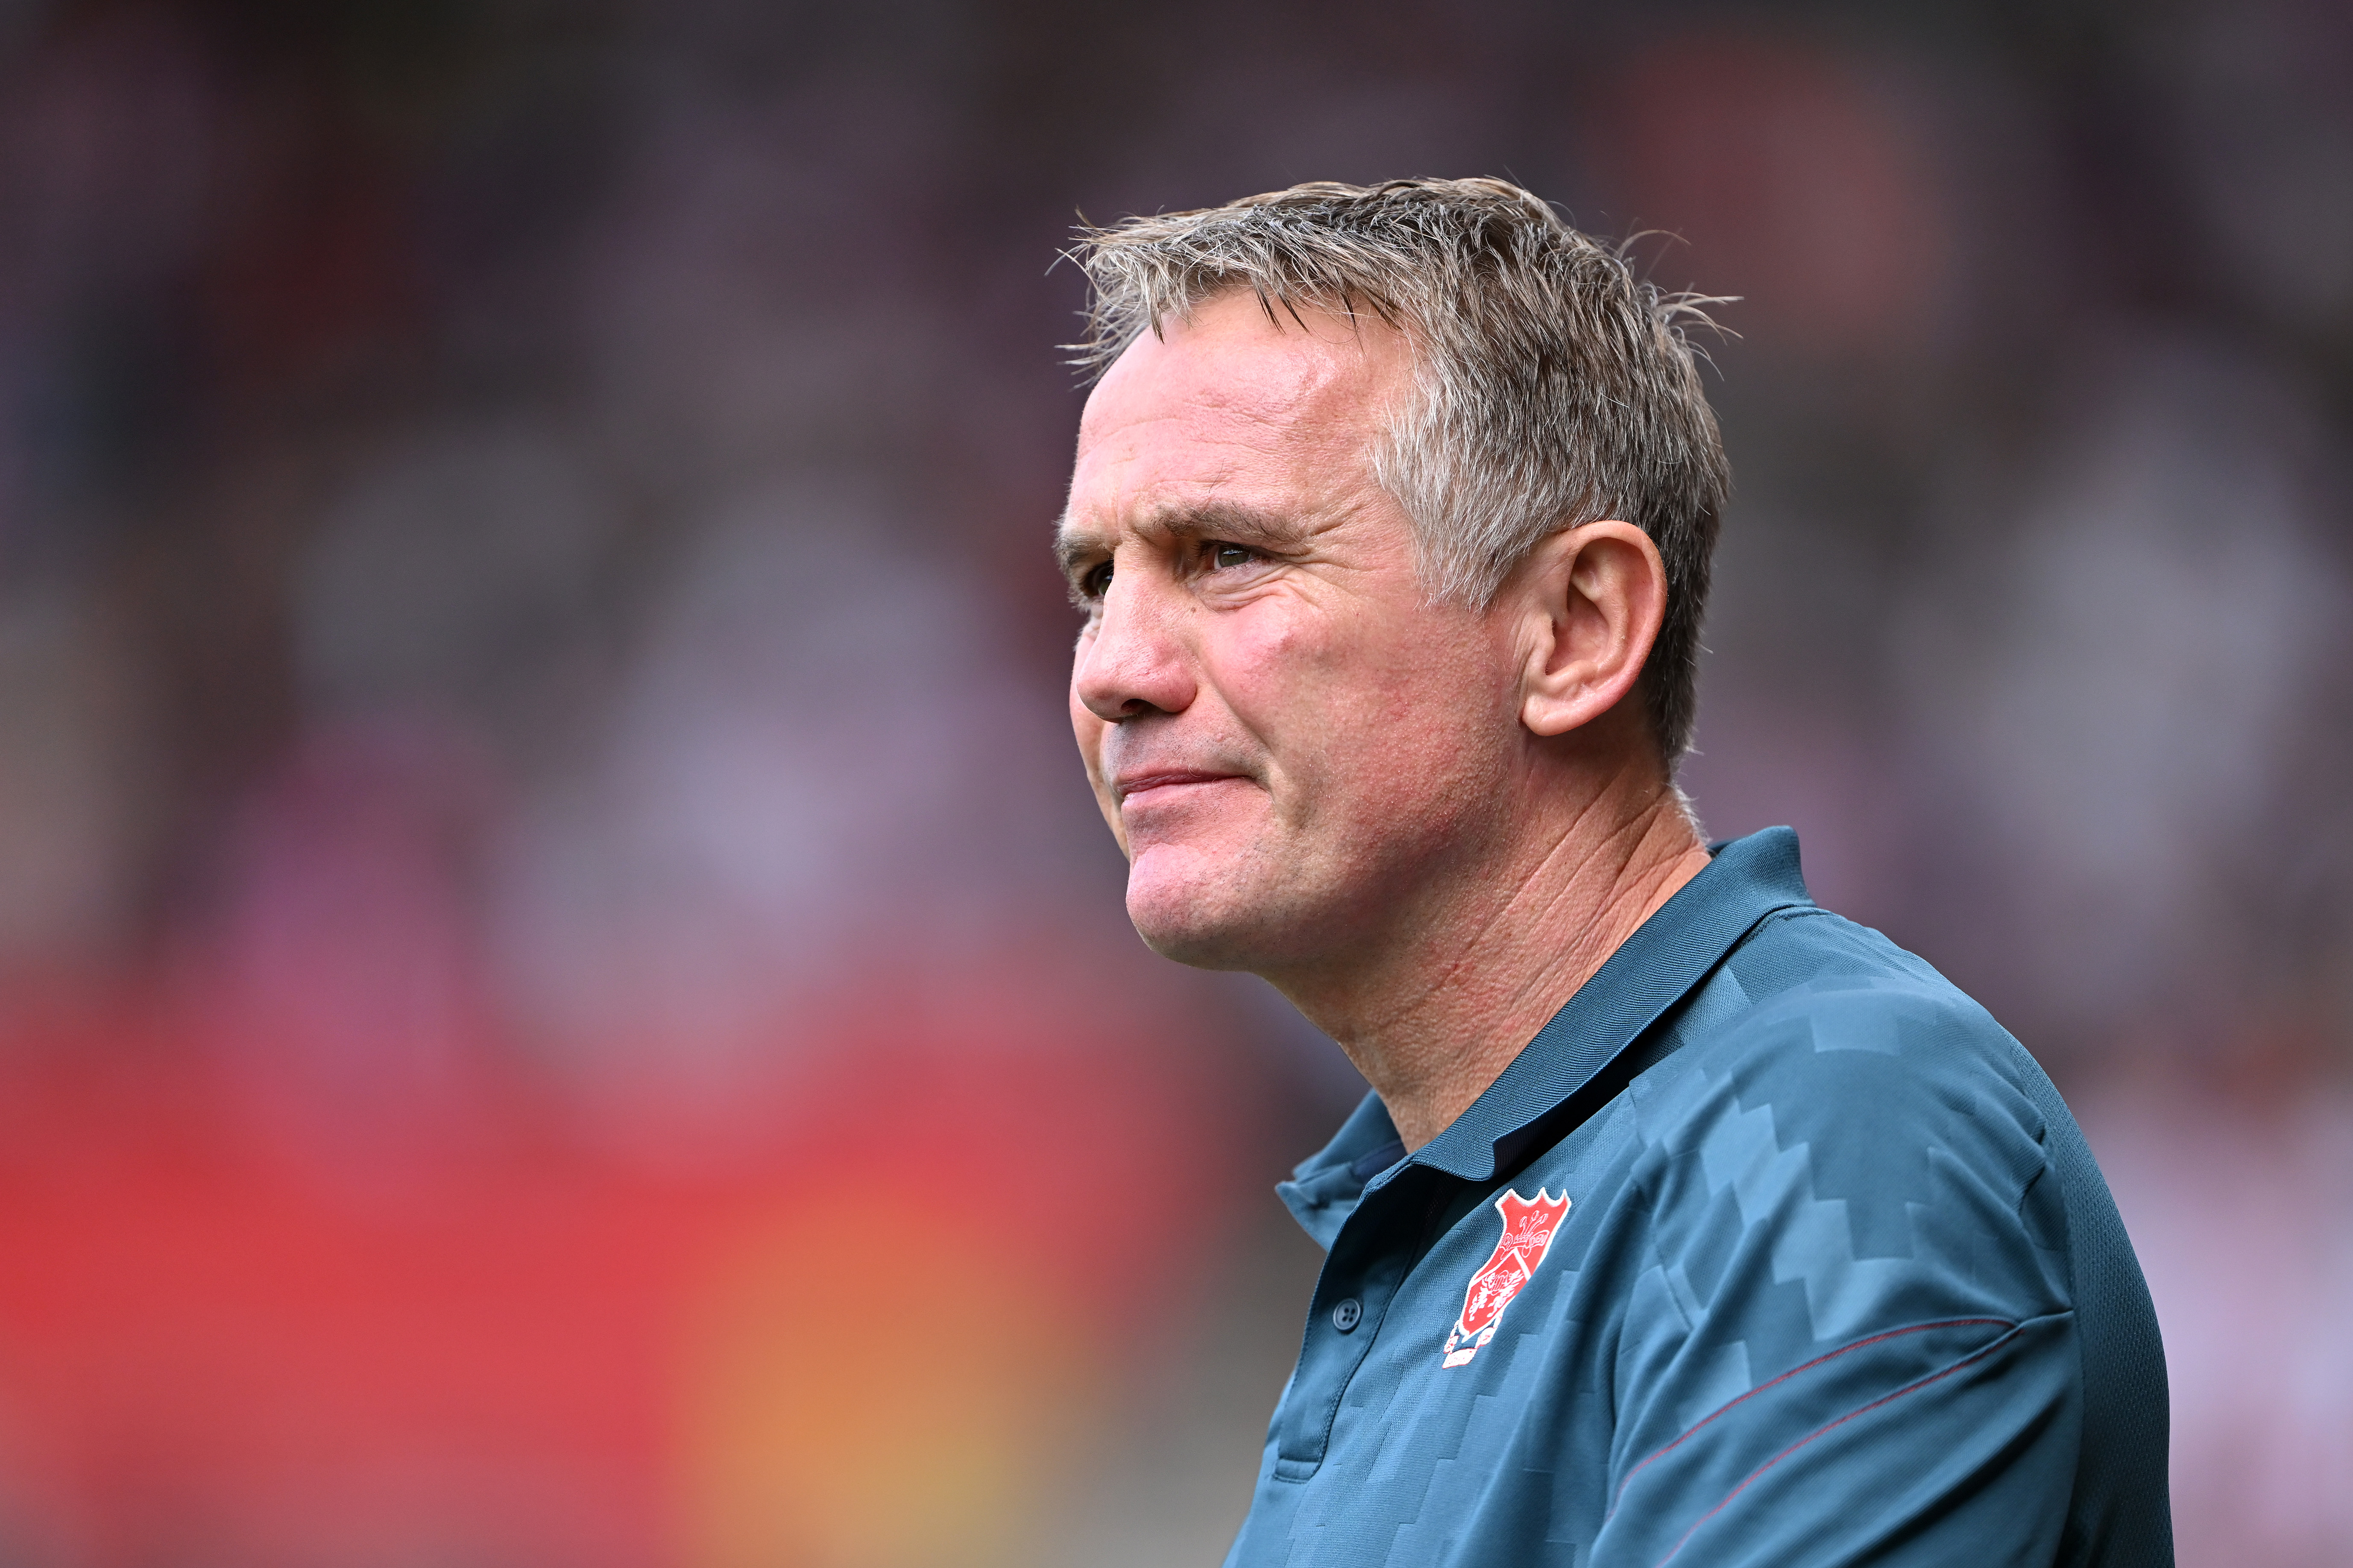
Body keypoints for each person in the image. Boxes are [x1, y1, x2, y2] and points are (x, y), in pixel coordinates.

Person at [1053, 178, 2172, 1566]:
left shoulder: (1834, 1119)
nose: (1112, 670)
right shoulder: (1454, 1214)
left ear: (1576, 630)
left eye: (1227, 555)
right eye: (1097, 582)